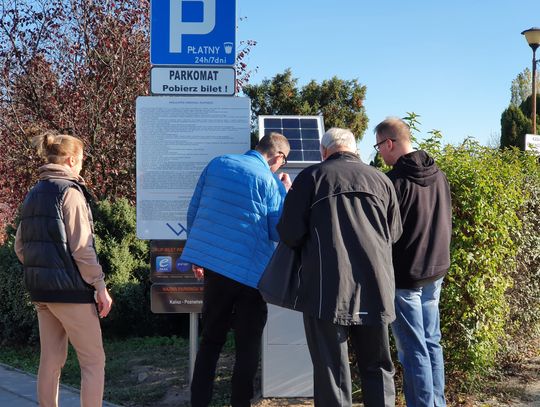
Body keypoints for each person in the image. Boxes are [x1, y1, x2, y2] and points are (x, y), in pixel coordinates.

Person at [277, 128, 402, 407]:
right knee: (378, 367)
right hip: (377, 286)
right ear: (355, 149)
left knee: (332, 371)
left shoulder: (312, 177)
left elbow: (290, 233)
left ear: (324, 152)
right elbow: (393, 234)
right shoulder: (381, 180)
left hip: (326, 290)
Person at [180, 133, 292, 407]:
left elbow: (194, 211)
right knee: (247, 346)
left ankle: (199, 403)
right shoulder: (270, 182)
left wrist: (198, 256)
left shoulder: (218, 163)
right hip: (252, 276)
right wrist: (285, 193)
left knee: (210, 341)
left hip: (216, 271)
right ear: (278, 157)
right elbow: (277, 231)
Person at [15, 132, 113, 407]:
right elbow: (82, 248)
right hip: (72, 292)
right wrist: (100, 286)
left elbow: (20, 247)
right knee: (93, 361)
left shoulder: (34, 194)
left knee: (51, 361)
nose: (82, 166)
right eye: (81, 161)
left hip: (41, 291)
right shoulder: (69, 193)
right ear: (71, 160)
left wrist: (45, 269)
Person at [374, 117, 452, 407]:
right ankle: (436, 403)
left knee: (413, 349)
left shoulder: (394, 182)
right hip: (436, 270)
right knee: (431, 341)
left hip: (406, 276)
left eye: (379, 146)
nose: (379, 153)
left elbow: (384, 234)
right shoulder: (439, 174)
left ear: (389, 142)